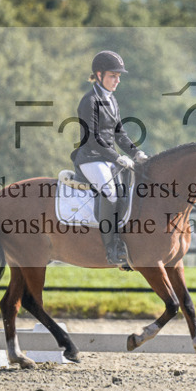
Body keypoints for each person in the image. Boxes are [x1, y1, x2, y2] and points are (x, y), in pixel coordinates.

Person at [72, 50, 147, 267]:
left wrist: (135, 152)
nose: (118, 80)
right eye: (113, 76)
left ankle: (125, 241)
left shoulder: (111, 100)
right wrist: (117, 157)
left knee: (128, 193)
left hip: (108, 158)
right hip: (90, 158)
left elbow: (119, 133)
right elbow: (93, 138)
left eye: (119, 76)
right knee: (111, 193)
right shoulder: (89, 101)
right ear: (99, 74)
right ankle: (111, 248)